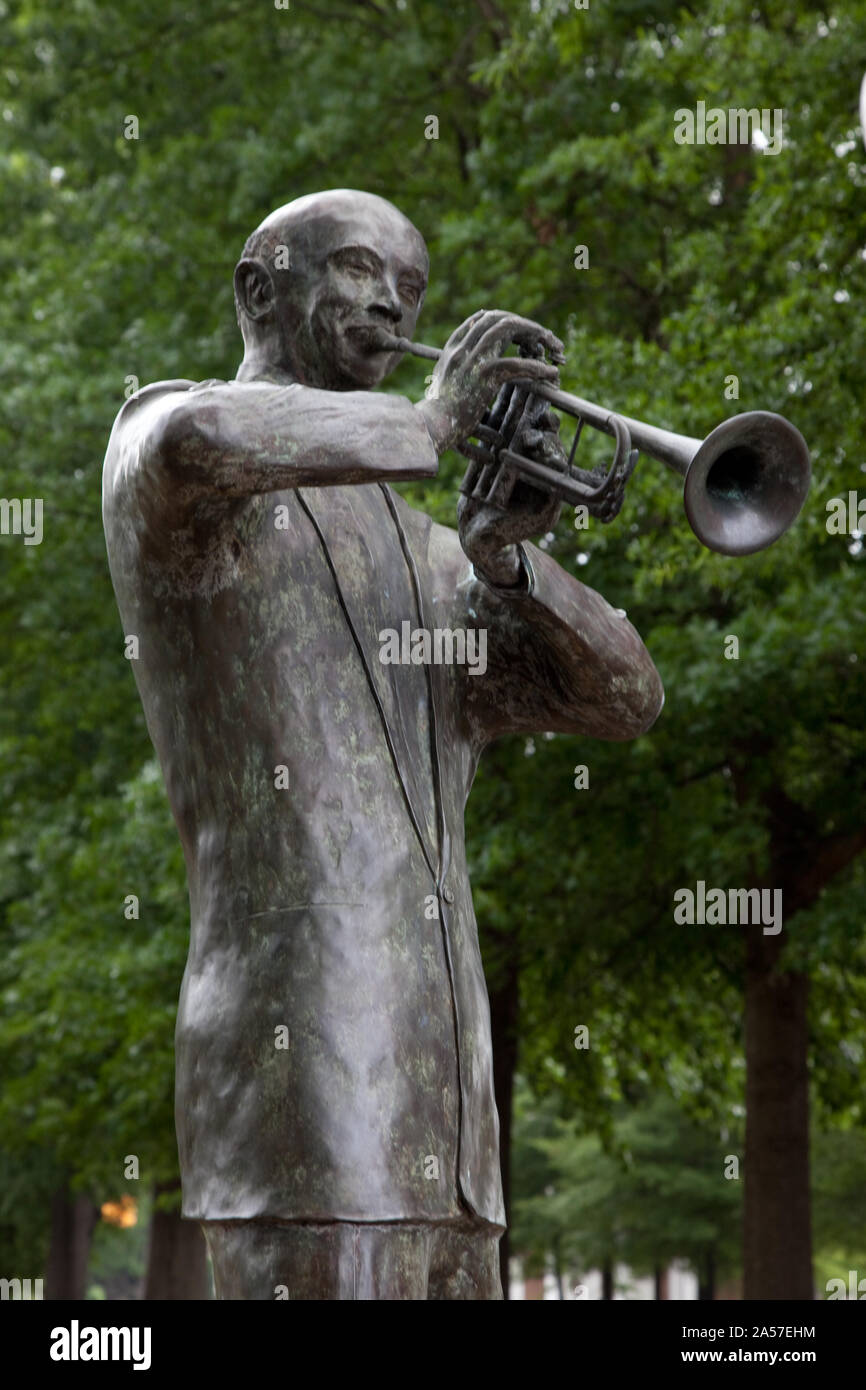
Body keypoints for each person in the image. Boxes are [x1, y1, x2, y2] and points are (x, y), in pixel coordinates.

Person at [102, 189, 664, 1299]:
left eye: (407, 289)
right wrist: (430, 420)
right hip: (299, 1078)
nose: (387, 304)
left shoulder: (432, 554)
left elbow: (624, 698)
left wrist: (509, 565)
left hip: (452, 1122)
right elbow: (205, 435)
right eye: (358, 269)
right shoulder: (167, 440)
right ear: (258, 288)